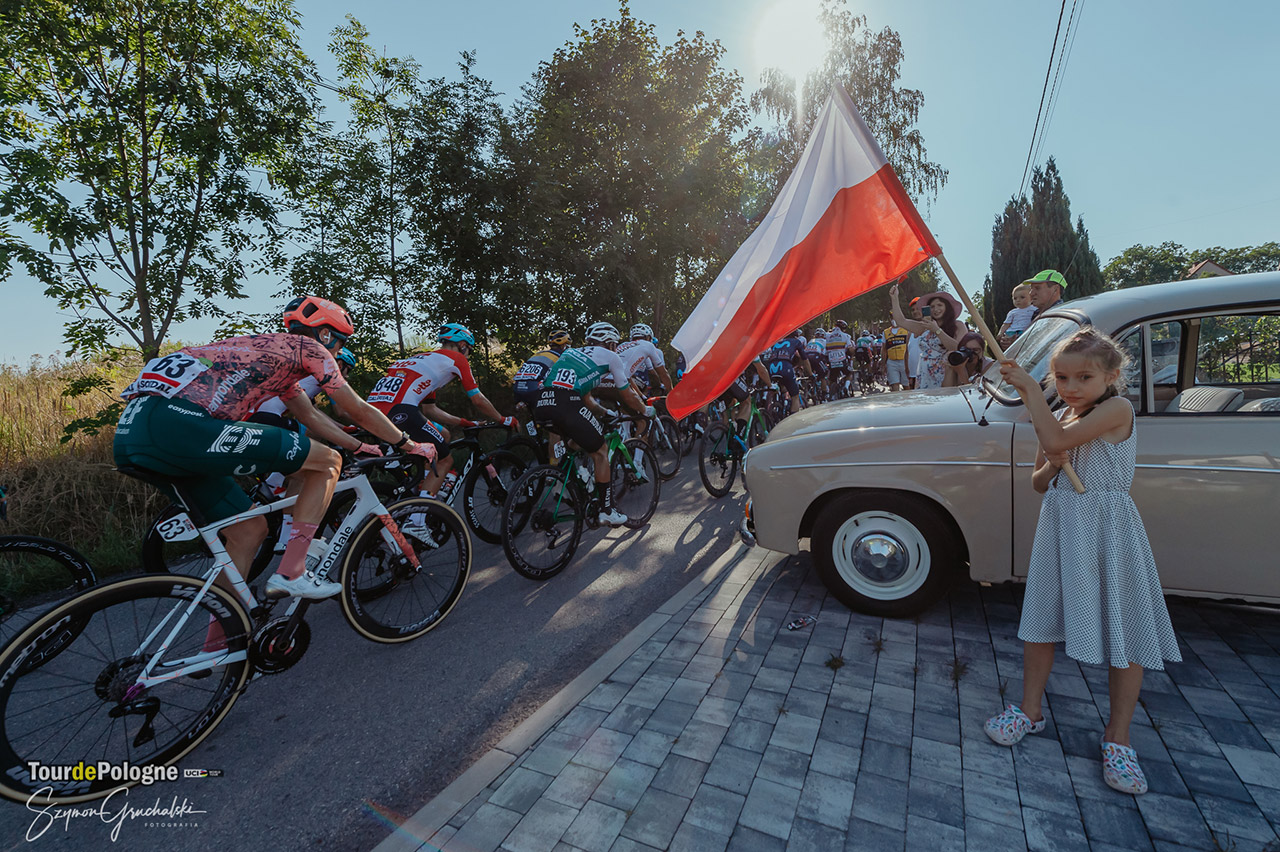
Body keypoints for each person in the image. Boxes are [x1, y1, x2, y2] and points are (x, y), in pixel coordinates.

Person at [114, 295, 436, 603]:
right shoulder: (310, 347)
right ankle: (293, 571)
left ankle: (222, 641)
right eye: (340, 342)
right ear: (325, 334)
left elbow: (308, 414)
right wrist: (408, 444)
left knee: (249, 530)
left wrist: (361, 445)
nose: (338, 352)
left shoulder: (270, 353)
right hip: (179, 425)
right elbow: (357, 409)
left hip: (134, 431)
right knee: (327, 463)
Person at [985, 327, 1180, 795]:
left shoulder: (1117, 409)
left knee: (1125, 629)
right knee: (1041, 621)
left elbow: (1053, 434)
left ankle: (1119, 737)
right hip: (1062, 526)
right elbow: (1037, 481)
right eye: (1061, 377)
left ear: (1111, 376)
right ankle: (1029, 711)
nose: (1070, 387)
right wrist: (1055, 459)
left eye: (1083, 376)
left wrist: (1031, 393)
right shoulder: (1058, 414)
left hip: (1109, 530)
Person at [368, 323, 517, 499]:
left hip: (371, 412)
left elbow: (430, 409)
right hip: (400, 411)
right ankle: (418, 519)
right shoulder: (457, 359)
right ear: (462, 345)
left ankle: (424, 484)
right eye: (469, 349)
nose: (468, 354)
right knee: (446, 460)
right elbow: (478, 400)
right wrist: (502, 419)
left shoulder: (425, 361)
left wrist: (464, 423)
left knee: (444, 434)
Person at [534, 321, 653, 527]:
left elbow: (587, 399)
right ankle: (607, 510)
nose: (616, 348)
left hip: (542, 403)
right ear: (609, 343)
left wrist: (606, 412)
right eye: (615, 344)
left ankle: (570, 477)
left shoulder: (572, 353)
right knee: (600, 451)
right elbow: (626, 393)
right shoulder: (611, 356)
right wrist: (644, 410)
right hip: (566, 403)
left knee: (575, 440)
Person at [249, 347, 358, 552]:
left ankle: (274, 483)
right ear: (340, 364)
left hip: (255, 416)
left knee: (309, 444)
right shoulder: (325, 372)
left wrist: (343, 430)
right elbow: (341, 410)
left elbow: (313, 412)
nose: (346, 375)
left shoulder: (305, 375)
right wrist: (360, 428)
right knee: (306, 464)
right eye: (347, 369)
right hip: (268, 419)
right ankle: (284, 533)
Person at [889, 284, 966, 389]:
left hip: (946, 376)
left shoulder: (958, 325)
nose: (936, 309)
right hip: (924, 375)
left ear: (947, 307)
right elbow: (901, 321)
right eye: (932, 306)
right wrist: (894, 298)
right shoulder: (924, 326)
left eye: (939, 305)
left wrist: (937, 330)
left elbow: (957, 348)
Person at [763, 330, 809, 415]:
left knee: (782, 386)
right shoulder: (796, 342)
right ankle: (793, 419)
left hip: (772, 367)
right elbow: (805, 359)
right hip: (785, 367)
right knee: (795, 395)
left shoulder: (777, 342)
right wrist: (810, 374)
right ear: (796, 336)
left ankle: (780, 403)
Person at [998, 283, 1038, 348]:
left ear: (1031, 298)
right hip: (1011, 332)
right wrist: (1000, 333)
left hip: (1025, 332)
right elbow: (1006, 324)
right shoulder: (1012, 312)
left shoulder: (1035, 309)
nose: (1018, 300)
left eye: (1022, 297)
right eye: (1015, 298)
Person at [824, 320, 853, 396]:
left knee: (832, 379)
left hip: (831, 361)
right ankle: (846, 387)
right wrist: (852, 354)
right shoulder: (845, 336)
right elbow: (850, 349)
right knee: (849, 373)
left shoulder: (827, 335)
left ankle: (831, 394)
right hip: (842, 360)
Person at [882, 321, 910, 391]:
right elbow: (884, 349)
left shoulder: (906, 330)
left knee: (906, 385)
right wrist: (883, 364)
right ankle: (897, 401)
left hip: (904, 361)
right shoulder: (886, 332)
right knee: (894, 384)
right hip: (892, 362)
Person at [905, 298, 923, 389]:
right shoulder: (909, 333)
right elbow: (907, 352)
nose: (915, 311)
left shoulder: (931, 329)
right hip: (912, 375)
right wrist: (907, 370)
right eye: (913, 310)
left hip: (925, 374)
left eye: (918, 308)